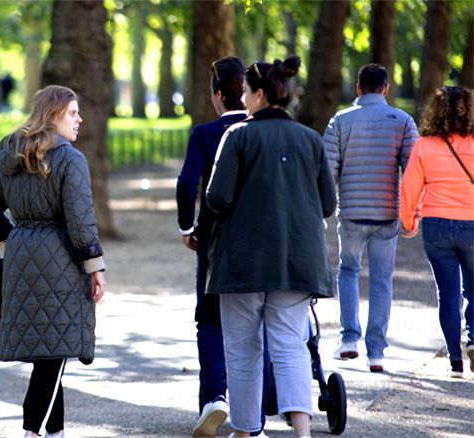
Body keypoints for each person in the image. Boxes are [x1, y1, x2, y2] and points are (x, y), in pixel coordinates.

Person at [206, 55, 336, 438]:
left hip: (242, 261)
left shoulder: (238, 137)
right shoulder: (311, 139)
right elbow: (327, 204)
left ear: (260, 94)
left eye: (246, 92)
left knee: (244, 350)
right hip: (297, 261)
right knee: (291, 347)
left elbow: (217, 197)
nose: (242, 99)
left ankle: (246, 431)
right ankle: (301, 432)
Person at [0, 85, 107, 438]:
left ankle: (55, 432)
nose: (80, 119)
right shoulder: (70, 159)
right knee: (52, 360)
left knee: (50, 354)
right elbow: (81, 221)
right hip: (60, 263)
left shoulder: (14, 157)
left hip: (22, 261)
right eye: (72, 112)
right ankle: (32, 432)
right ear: (53, 115)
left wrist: (10, 237)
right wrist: (96, 267)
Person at [176, 56, 269, 438]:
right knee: (260, 322)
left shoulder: (206, 133)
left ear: (218, 94)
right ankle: (256, 412)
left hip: (214, 239)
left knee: (211, 319)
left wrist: (188, 227)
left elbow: (186, 184)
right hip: (261, 238)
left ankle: (214, 398)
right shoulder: (262, 130)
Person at [323, 63, 419, 372]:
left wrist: (325, 207)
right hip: (386, 214)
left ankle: (349, 338)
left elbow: (328, 170)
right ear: (387, 89)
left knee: (348, 271)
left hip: (351, 211)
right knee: (381, 280)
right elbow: (414, 172)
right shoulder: (402, 121)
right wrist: (411, 215)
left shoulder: (340, 120)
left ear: (358, 88)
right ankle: (376, 351)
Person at [399, 86, 474, 378]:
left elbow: (409, 189)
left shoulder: (425, 145)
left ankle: (455, 360)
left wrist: (408, 222)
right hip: (472, 224)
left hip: (436, 225)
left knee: (448, 292)